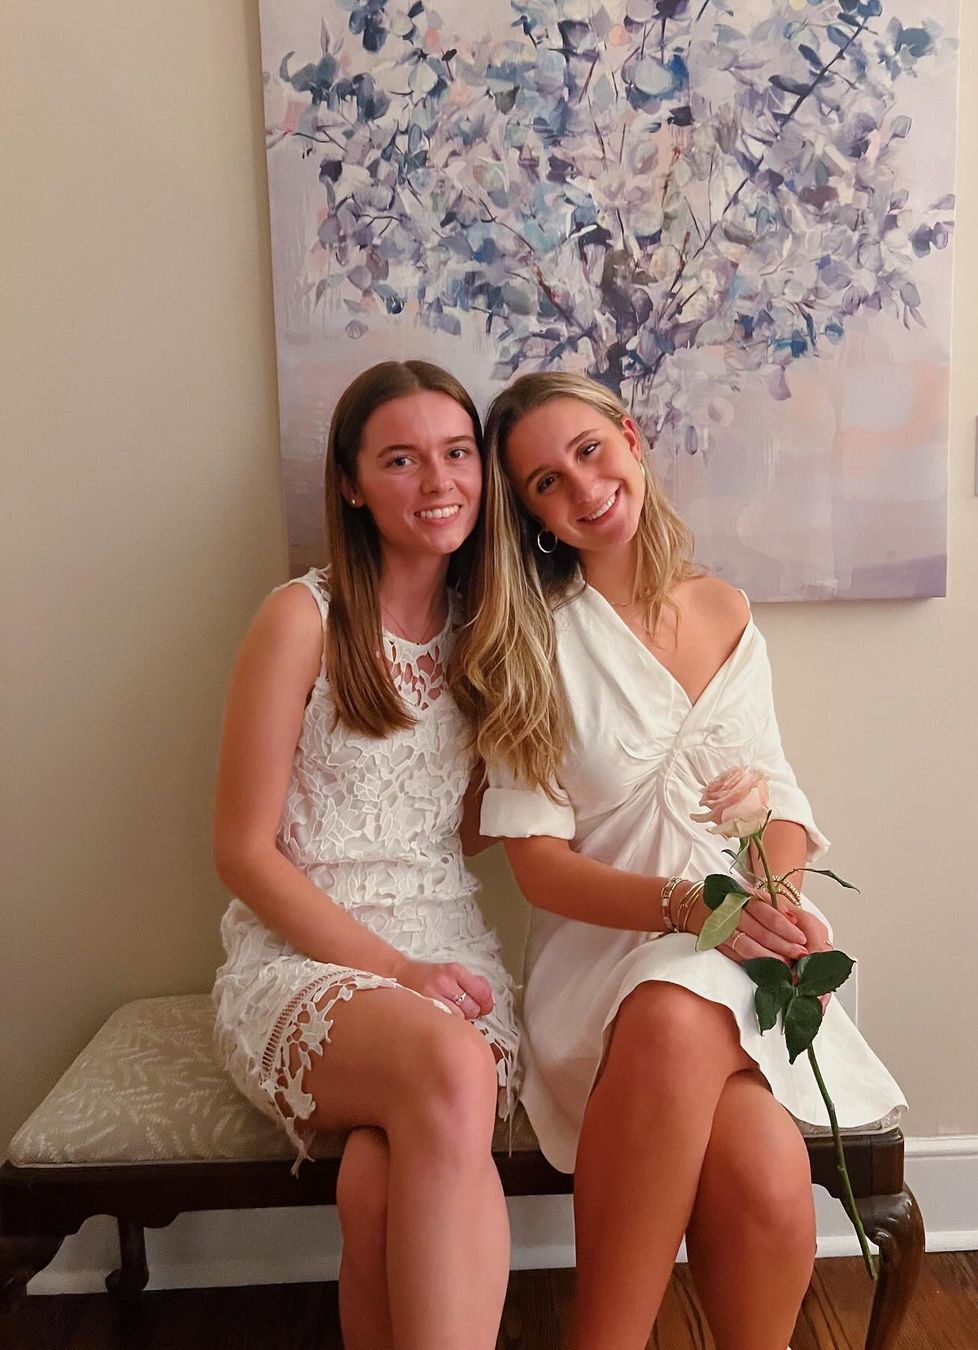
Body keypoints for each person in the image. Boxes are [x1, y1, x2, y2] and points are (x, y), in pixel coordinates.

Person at [453, 371, 905, 1350]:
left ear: (631, 436)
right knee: (668, 1010)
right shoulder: (527, 642)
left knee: (768, 1173)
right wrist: (692, 909)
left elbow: (776, 803)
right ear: (530, 514)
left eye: (589, 451)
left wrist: (772, 901)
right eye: (545, 482)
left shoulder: (724, 609)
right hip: (610, 963)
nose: (582, 488)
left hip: (743, 951)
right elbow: (538, 867)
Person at [212, 360, 518, 1350]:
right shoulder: (300, 618)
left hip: (452, 953)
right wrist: (395, 971)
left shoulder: (489, 630)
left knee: (378, 1185)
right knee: (450, 1067)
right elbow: (241, 853)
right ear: (350, 484)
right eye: (400, 460)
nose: (439, 482)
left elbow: (465, 828)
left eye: (458, 453)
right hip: (300, 961)